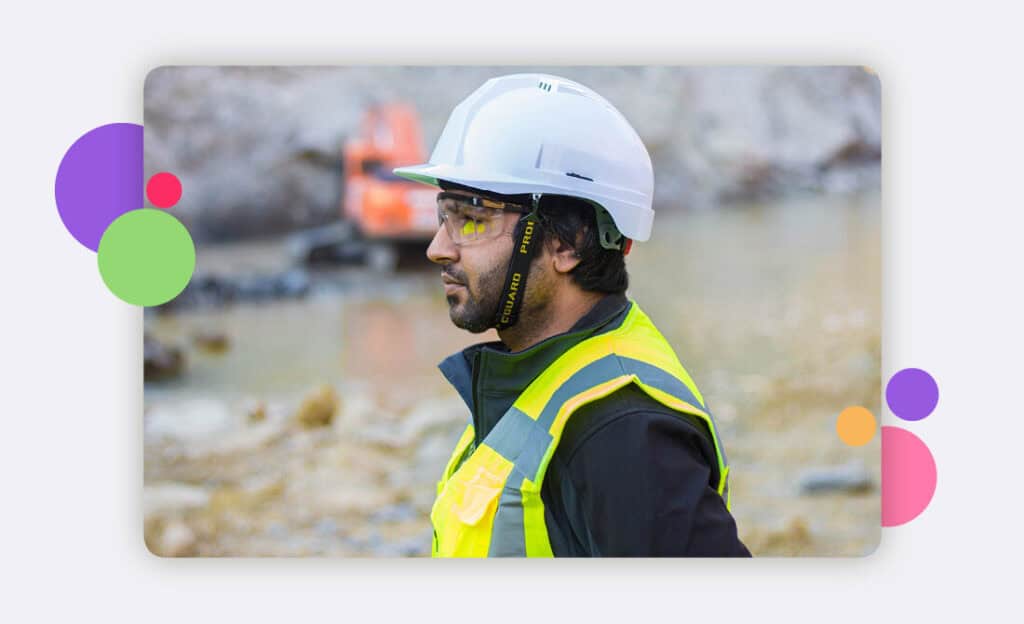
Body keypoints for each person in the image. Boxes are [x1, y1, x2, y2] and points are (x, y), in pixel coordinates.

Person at [394, 73, 749, 557]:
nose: (438, 249)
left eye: (472, 219)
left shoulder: (622, 432)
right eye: (444, 216)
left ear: (567, 243)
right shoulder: (538, 375)